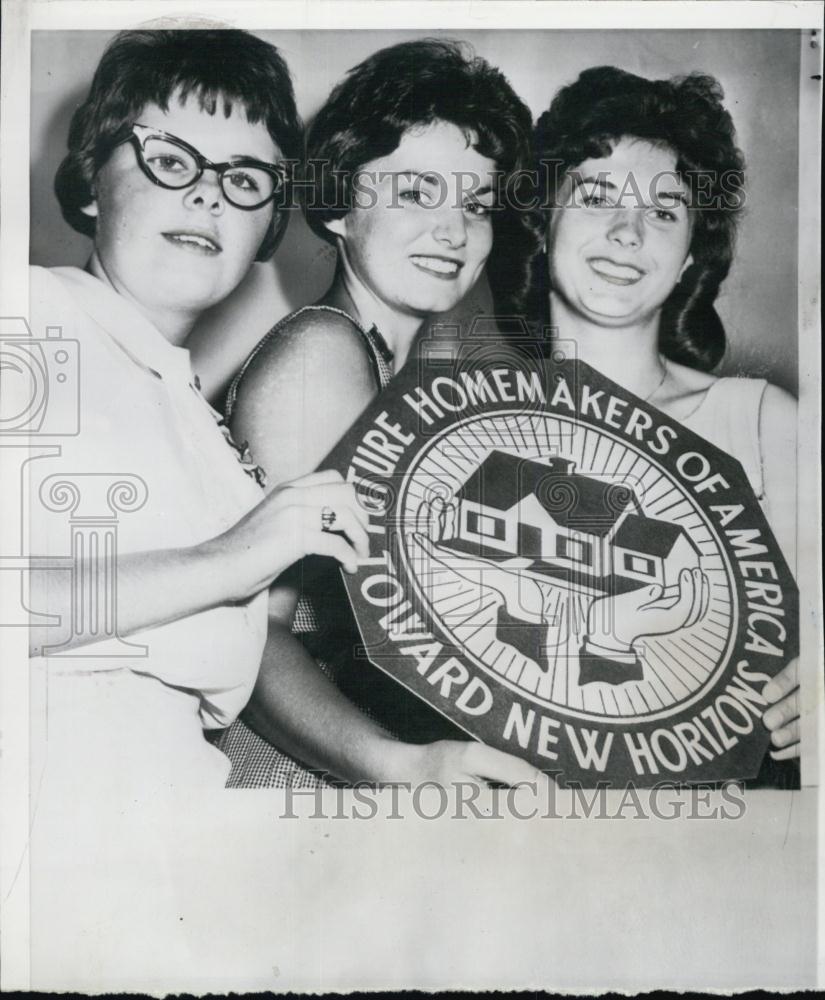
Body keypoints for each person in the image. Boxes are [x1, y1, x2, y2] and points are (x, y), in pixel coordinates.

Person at [27, 29, 371, 792]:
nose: (209, 193)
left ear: (266, 227)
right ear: (91, 181)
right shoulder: (29, 314)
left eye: (247, 179)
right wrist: (230, 560)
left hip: (172, 828)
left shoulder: (202, 430)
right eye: (172, 160)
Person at [215, 38, 544, 788]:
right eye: (417, 192)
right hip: (306, 767)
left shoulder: (399, 373)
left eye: (475, 203)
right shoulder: (320, 353)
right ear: (337, 205)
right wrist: (401, 768)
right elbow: (256, 635)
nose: (454, 230)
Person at [533, 66, 800, 774]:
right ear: (540, 219)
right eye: (596, 197)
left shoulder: (763, 424)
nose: (626, 232)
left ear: (687, 257)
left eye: (662, 211)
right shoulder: (463, 425)